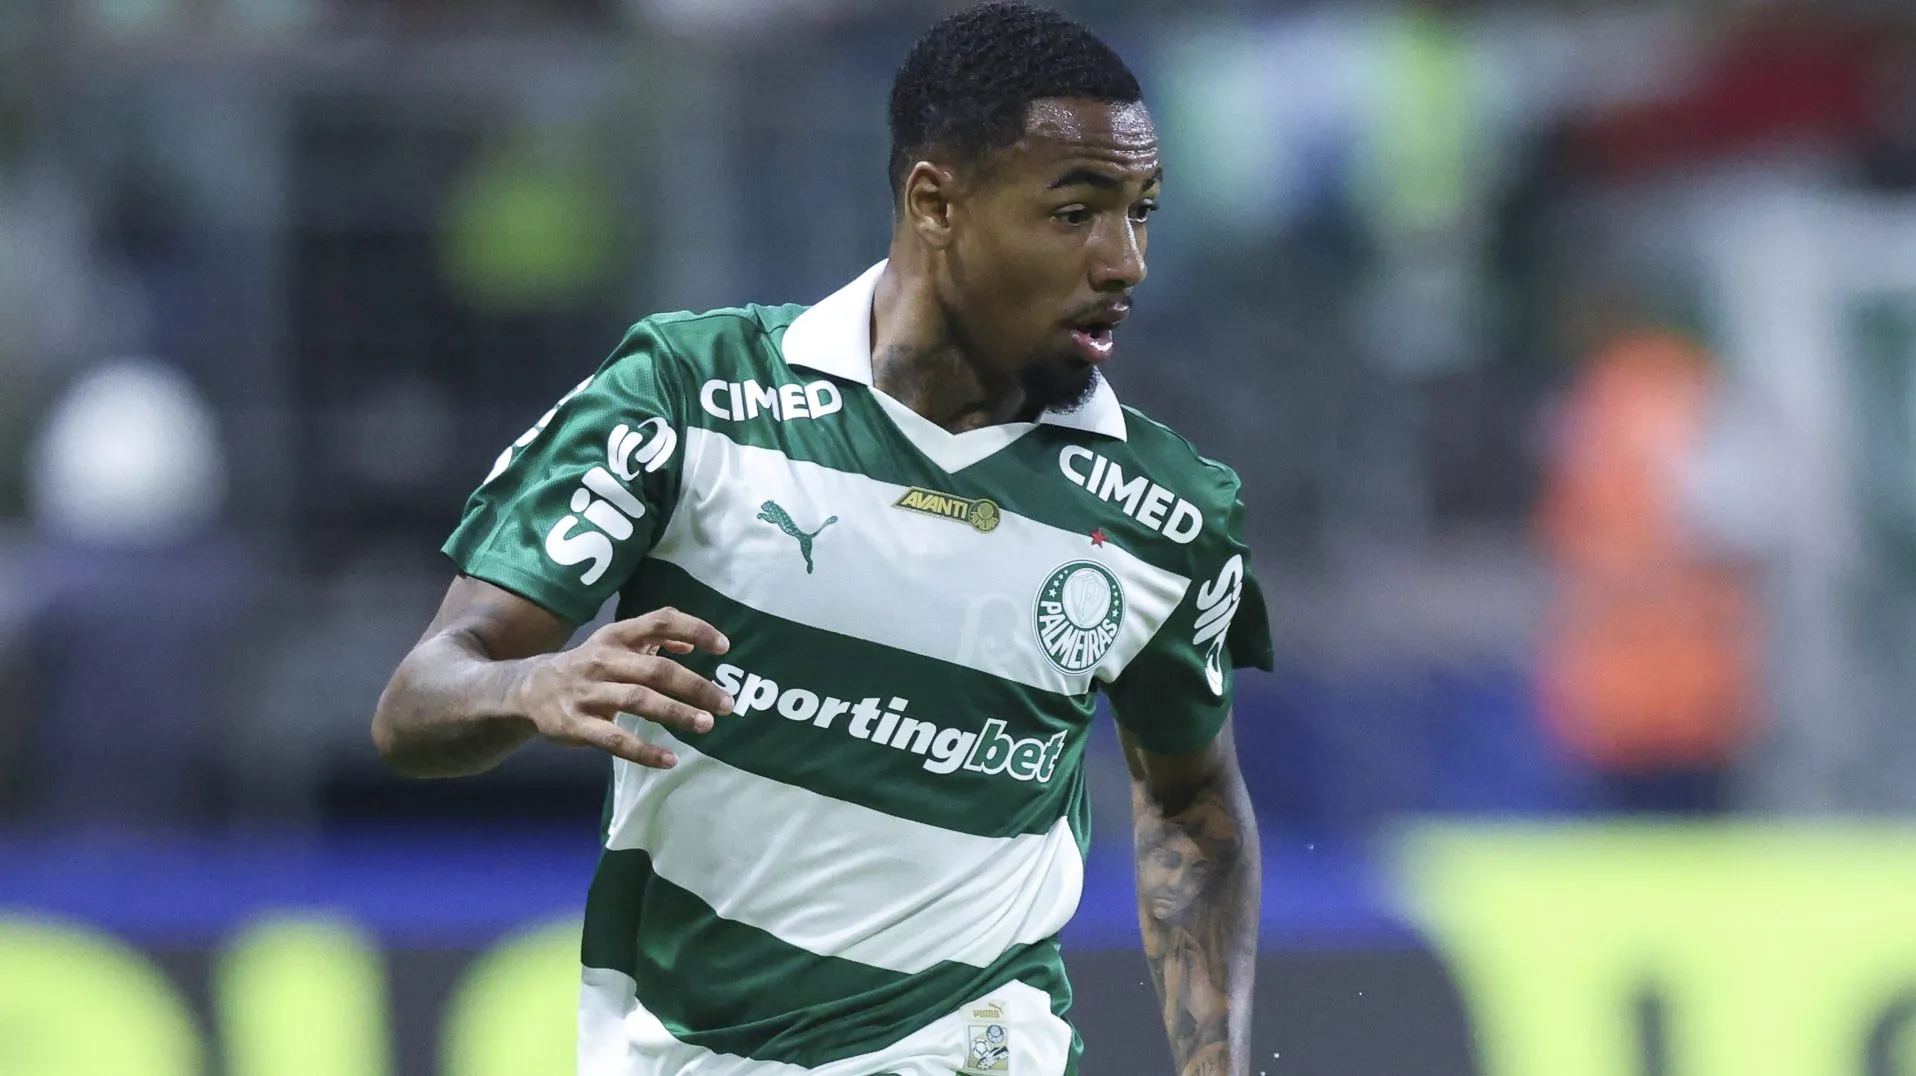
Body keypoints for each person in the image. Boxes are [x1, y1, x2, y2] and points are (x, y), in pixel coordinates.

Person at [371, 4, 1273, 1073]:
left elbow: (1188, 797)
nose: (1123, 260)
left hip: (976, 1040)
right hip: (680, 1047)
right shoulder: (688, 397)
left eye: (1141, 212)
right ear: (935, 201)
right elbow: (416, 703)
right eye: (1075, 211)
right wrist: (529, 686)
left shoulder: (1161, 510)